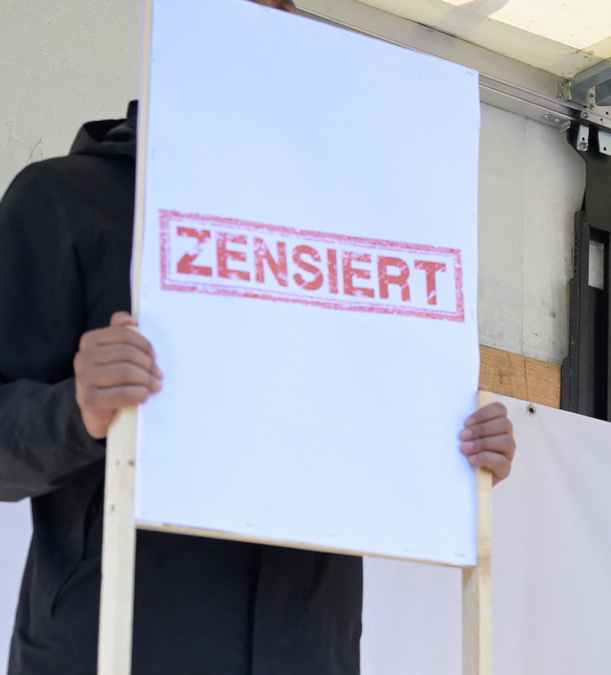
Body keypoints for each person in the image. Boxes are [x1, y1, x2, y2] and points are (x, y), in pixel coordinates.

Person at [0, 1, 515, 672]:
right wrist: (77, 408)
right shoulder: (66, 201)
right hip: (113, 649)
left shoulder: (358, 227)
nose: (267, 23)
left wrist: (456, 449)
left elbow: (372, 433)